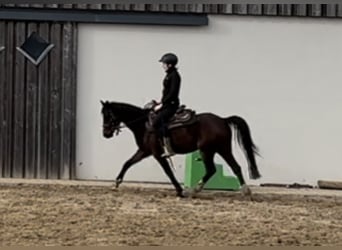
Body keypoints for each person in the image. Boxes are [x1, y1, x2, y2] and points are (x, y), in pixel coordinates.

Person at [153, 53, 181, 158]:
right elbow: (166, 92)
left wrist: (162, 104)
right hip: (166, 103)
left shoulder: (175, 76)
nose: (162, 65)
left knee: (158, 122)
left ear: (170, 65)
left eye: (164, 63)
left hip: (171, 105)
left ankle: (169, 149)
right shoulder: (169, 74)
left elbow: (173, 93)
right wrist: (160, 102)